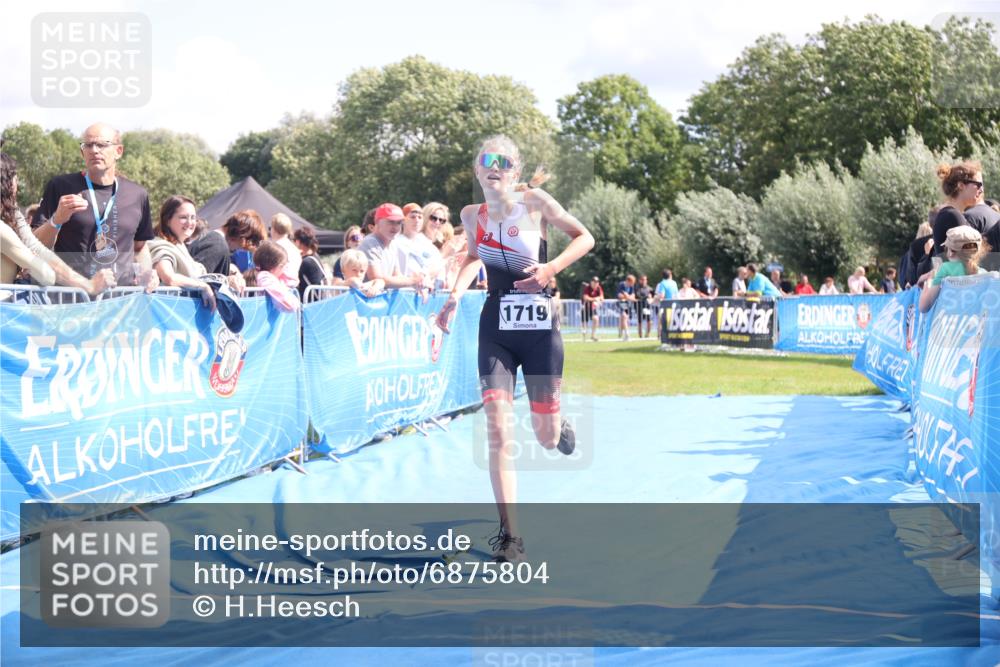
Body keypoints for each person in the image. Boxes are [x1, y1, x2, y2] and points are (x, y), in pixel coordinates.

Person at [435, 135, 594, 563]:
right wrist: (454, 296)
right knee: (499, 430)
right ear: (477, 169)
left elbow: (585, 238)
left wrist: (550, 268)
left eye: (504, 162)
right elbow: (473, 257)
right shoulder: (471, 215)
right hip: (496, 329)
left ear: (516, 171)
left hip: (539, 329)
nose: (495, 166)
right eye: (487, 160)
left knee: (544, 437)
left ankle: (558, 429)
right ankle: (510, 536)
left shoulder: (535, 203)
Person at [31, 122, 158, 290]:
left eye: (102, 145)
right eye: (88, 145)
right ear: (82, 152)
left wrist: (146, 273)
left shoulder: (137, 194)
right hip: (73, 296)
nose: (94, 150)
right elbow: (35, 245)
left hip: (121, 298)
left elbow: (140, 248)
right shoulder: (61, 186)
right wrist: (57, 220)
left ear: (118, 151)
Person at [1, 153, 115, 296]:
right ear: (8, 183)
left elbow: (36, 248)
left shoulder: (13, 214)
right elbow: (46, 274)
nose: (17, 183)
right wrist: (89, 286)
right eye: (15, 177)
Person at [147, 195, 216, 310]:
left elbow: (198, 271)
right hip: (167, 313)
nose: (190, 222)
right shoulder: (160, 246)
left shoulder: (180, 246)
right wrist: (203, 286)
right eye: (183, 217)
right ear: (167, 220)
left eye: (193, 217)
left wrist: (231, 273)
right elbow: (169, 278)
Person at [919, 226, 988, 313]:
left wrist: (930, 279)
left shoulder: (945, 269)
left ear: (951, 252)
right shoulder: (985, 275)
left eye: (946, 248)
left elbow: (924, 306)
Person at [359, 203, 426, 290]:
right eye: (391, 222)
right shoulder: (370, 242)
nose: (395, 227)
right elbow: (377, 279)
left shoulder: (393, 243)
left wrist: (418, 285)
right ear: (377, 222)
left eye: (399, 223)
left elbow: (397, 276)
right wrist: (413, 281)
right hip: (364, 297)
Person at [932, 161, 981, 256]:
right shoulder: (952, 216)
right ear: (961, 185)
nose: (981, 190)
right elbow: (974, 254)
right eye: (978, 185)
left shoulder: (949, 214)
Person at [252, 240, 300, 312]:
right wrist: (296, 303)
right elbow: (290, 305)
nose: (285, 268)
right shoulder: (265, 278)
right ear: (275, 267)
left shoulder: (272, 277)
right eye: (283, 266)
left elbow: (292, 282)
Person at [293, 228, 328, 299]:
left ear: (298, 242)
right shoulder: (315, 256)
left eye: (294, 240)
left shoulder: (306, 262)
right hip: (320, 299)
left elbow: (295, 281)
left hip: (311, 301)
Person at [269, 213, 301, 288]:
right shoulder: (294, 249)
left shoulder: (273, 248)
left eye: (271, 227)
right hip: (292, 288)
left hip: (277, 288)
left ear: (274, 229)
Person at [581, 276, 604, 342]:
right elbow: (585, 297)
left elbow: (602, 297)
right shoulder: (587, 288)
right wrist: (594, 299)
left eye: (597, 282)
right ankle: (584, 337)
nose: (595, 283)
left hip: (593, 307)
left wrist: (598, 299)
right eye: (594, 282)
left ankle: (593, 336)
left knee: (596, 319)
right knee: (584, 323)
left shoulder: (599, 288)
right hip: (585, 307)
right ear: (591, 282)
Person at [616, 274, 637, 341]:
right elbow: (619, 295)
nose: (632, 284)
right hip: (621, 303)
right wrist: (627, 297)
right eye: (632, 283)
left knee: (625, 319)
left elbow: (633, 296)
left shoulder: (632, 287)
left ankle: (621, 330)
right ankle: (627, 334)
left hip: (628, 303)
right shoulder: (621, 285)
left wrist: (627, 296)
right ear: (628, 281)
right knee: (624, 316)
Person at [635, 274, 654, 338]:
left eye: (645, 280)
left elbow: (653, 295)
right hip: (639, 307)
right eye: (642, 280)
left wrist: (651, 297)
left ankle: (647, 335)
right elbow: (637, 296)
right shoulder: (637, 288)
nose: (644, 281)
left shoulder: (649, 288)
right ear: (639, 280)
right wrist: (646, 296)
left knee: (649, 321)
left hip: (647, 307)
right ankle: (640, 336)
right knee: (640, 322)